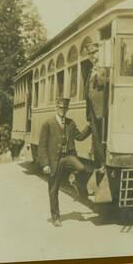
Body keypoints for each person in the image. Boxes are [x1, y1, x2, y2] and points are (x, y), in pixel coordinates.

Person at [37, 97, 93, 227]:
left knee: (81, 167)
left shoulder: (70, 123)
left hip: (67, 157)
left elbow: (79, 137)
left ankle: (72, 179)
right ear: (56, 108)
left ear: (67, 109)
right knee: (53, 189)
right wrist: (45, 164)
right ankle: (56, 217)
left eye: (65, 108)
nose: (63, 110)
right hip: (54, 160)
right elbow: (42, 146)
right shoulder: (48, 124)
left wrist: (89, 127)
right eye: (61, 108)